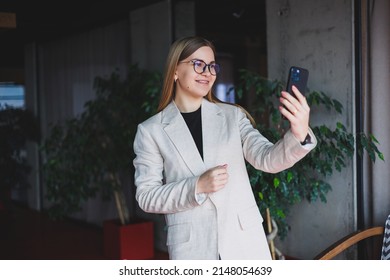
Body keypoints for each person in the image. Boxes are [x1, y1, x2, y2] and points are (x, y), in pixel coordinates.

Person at [133, 36, 317, 260]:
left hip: (244, 243)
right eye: (198, 64)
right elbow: (146, 197)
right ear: (175, 71)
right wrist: (197, 186)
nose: (208, 72)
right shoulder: (151, 130)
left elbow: (267, 159)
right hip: (192, 250)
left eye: (212, 66)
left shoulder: (232, 116)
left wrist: (299, 133)